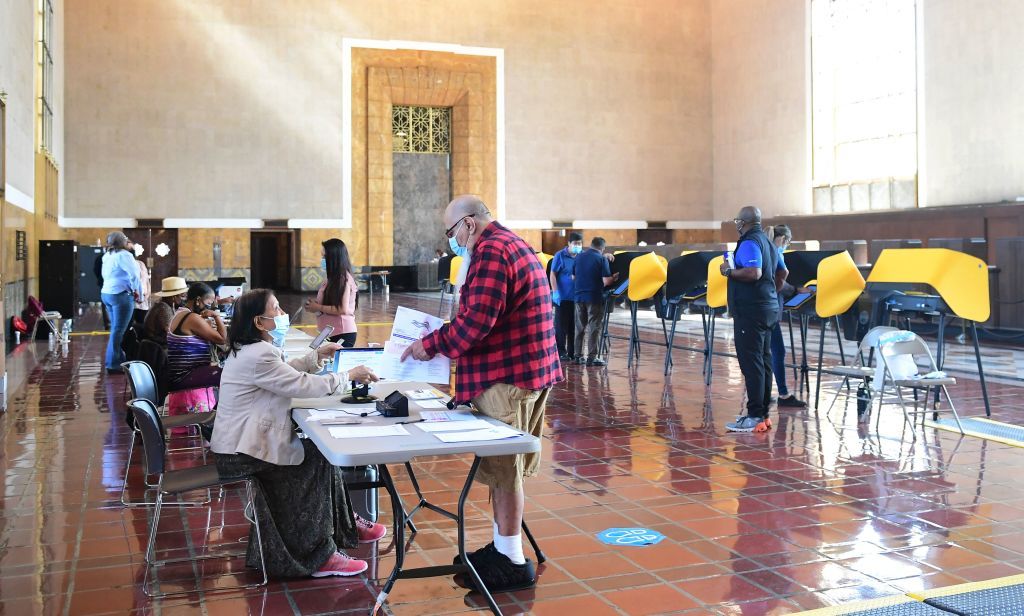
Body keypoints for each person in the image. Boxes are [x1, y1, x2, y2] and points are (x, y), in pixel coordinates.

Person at [400, 195, 562, 592]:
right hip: (527, 370)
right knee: (504, 470)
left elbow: (476, 322)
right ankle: (505, 546)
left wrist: (430, 344)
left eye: (451, 231)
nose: (452, 240)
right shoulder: (512, 243)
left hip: (508, 376)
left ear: (469, 224)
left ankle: (512, 560)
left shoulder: (491, 252)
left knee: (504, 471)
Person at [210, 288, 386, 578]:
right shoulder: (259, 354)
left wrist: (314, 357)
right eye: (276, 310)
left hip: (237, 442)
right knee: (313, 459)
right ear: (259, 322)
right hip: (240, 452)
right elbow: (300, 385)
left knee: (318, 451)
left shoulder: (251, 350)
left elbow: (285, 372)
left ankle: (343, 526)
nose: (283, 315)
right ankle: (320, 555)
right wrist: (347, 376)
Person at [722, 206, 781, 433]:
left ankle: (755, 414)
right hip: (767, 307)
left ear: (744, 222)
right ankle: (763, 415)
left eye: (738, 220)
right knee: (764, 361)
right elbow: (779, 273)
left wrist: (728, 271)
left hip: (751, 311)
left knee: (752, 363)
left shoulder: (749, 242)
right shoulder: (768, 242)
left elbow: (753, 272)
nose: (737, 224)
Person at [770, 225, 807, 408]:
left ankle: (763, 392)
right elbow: (776, 282)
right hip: (770, 309)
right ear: (783, 239)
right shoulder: (776, 253)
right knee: (778, 352)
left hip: (761, 309)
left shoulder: (762, 249)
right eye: (788, 242)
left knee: (765, 352)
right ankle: (783, 395)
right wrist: (794, 290)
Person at [166, 282, 227, 390]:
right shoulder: (192, 318)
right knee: (228, 375)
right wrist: (216, 315)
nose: (210, 307)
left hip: (178, 374)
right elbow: (222, 339)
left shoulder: (180, 312)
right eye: (208, 304)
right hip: (185, 376)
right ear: (198, 300)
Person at [100, 231, 142, 374]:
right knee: (119, 330)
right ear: (122, 242)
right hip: (120, 295)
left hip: (107, 293)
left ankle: (115, 359)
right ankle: (113, 363)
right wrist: (138, 292)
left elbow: (104, 275)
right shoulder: (125, 255)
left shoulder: (107, 255)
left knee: (115, 329)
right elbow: (135, 275)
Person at [573, 237, 618, 367]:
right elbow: (606, 281)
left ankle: (578, 356)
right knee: (594, 327)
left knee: (579, 327)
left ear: (591, 245)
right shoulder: (601, 259)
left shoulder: (579, 257)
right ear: (602, 248)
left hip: (578, 297)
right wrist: (613, 278)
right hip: (594, 297)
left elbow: (573, 277)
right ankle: (592, 358)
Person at [305, 239, 358, 347]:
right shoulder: (331, 279)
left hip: (342, 332)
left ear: (334, 258)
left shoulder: (342, 279)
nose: (322, 260)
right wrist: (314, 305)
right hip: (330, 331)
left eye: (324, 257)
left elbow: (341, 309)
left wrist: (318, 307)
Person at [550, 232, 583, 361]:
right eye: (575, 244)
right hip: (562, 297)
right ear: (569, 244)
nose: (577, 246)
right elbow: (553, 274)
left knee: (574, 326)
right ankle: (560, 352)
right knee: (561, 327)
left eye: (579, 244)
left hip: (577, 298)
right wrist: (555, 291)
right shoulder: (560, 255)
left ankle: (572, 352)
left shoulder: (581, 256)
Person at [125, 239, 151, 326]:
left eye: (132, 249)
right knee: (129, 326)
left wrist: (147, 295)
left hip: (143, 302)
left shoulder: (141, 264)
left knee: (142, 326)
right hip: (129, 302)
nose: (131, 251)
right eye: (128, 249)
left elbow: (147, 282)